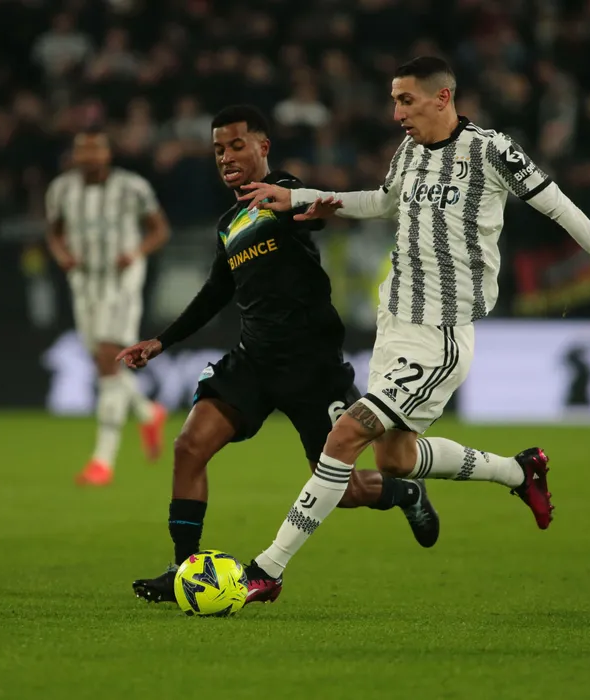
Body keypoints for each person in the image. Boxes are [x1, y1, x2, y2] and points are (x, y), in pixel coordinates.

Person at [236, 56, 590, 602]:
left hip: (440, 334)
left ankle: (268, 569)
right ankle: (518, 472)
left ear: (442, 97)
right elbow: (381, 202)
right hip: (395, 323)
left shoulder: (492, 151)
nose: (396, 113)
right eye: (394, 101)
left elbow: (560, 207)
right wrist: (299, 198)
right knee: (395, 459)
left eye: (406, 100)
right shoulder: (409, 151)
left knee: (345, 436)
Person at [119, 105, 439, 604]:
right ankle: (184, 570)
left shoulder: (285, 192)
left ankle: (406, 492)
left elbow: (308, 215)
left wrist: (311, 210)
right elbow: (216, 291)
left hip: (313, 368)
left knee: (345, 490)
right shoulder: (229, 223)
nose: (226, 157)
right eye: (218, 149)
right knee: (188, 447)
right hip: (254, 360)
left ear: (263, 147)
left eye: (236, 145)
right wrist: (162, 341)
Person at [45, 128, 171, 486]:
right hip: (83, 283)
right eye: (83, 150)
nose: (89, 157)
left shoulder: (132, 187)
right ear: (75, 155)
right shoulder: (61, 189)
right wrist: (62, 255)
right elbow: (54, 231)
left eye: (95, 150)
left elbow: (160, 230)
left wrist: (135, 253)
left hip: (121, 282)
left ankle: (102, 460)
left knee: (107, 357)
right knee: (102, 361)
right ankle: (148, 412)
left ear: (107, 153)